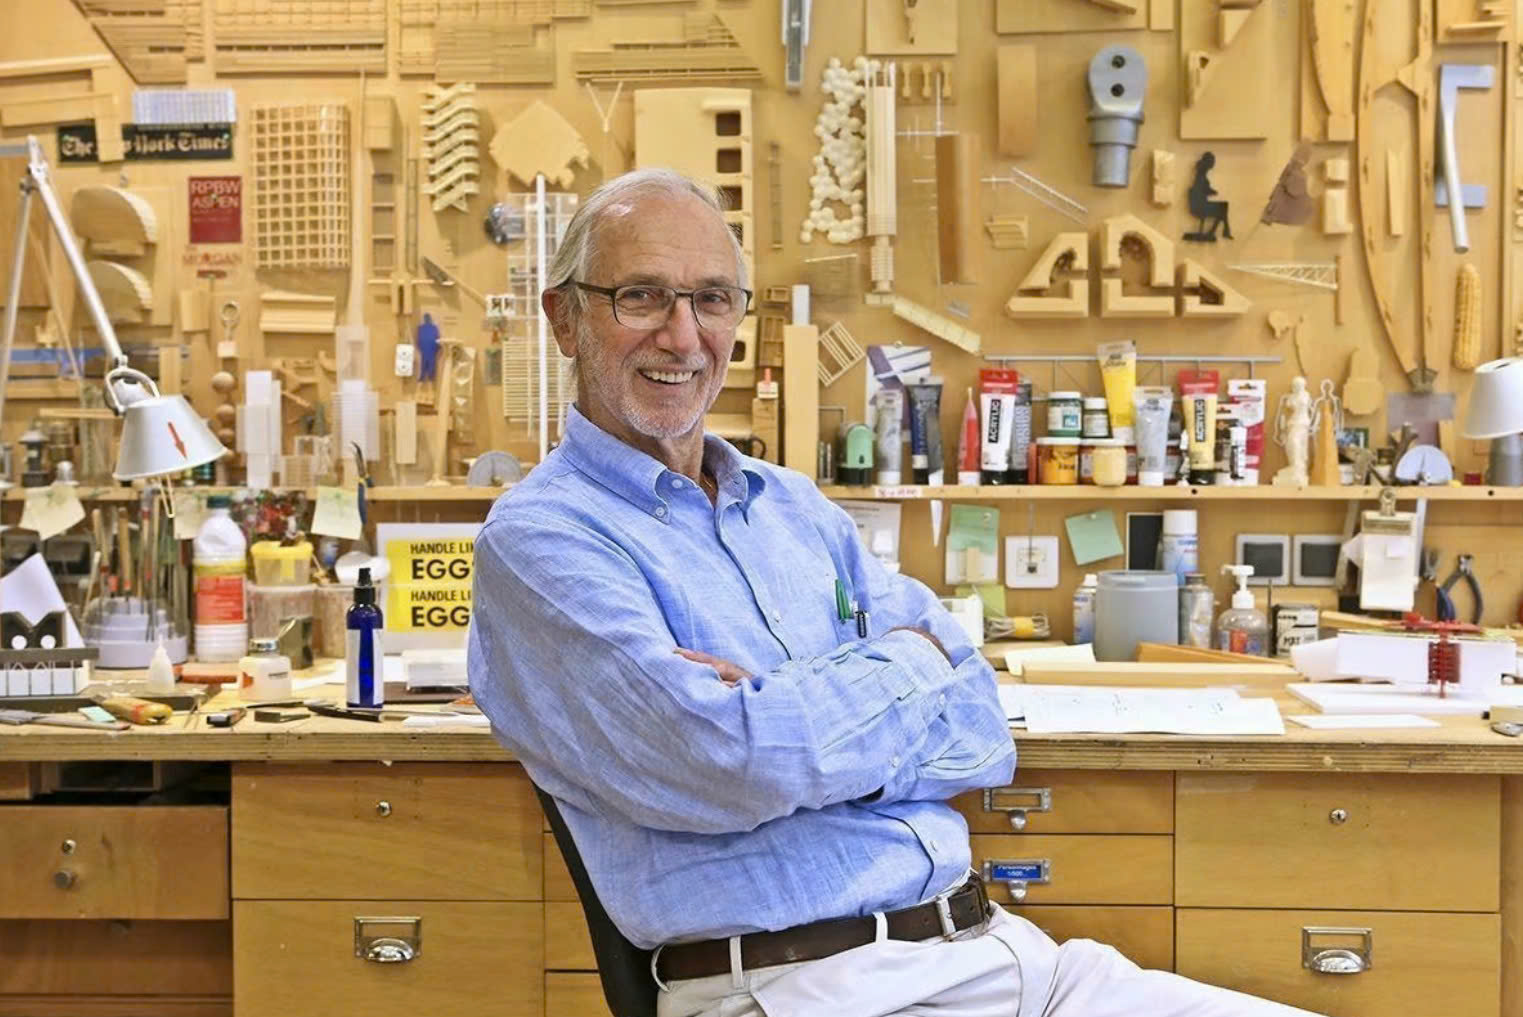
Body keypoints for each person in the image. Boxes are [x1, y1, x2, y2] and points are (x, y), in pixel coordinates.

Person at [467, 168, 1320, 1017]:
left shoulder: (792, 507)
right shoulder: (543, 540)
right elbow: (731, 761)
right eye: (642, 296)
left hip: (1001, 954)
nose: (683, 336)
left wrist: (798, 718)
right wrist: (905, 667)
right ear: (565, 318)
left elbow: (980, 725)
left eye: (713, 299)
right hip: (802, 986)